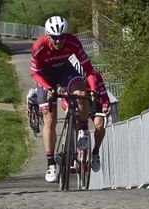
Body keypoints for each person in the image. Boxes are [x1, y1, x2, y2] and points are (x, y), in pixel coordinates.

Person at [30, 15, 98, 182]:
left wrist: (94, 89)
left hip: (64, 71)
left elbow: (88, 69)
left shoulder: (73, 42)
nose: (59, 41)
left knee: (81, 94)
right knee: (50, 119)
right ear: (48, 35)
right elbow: (34, 73)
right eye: (55, 38)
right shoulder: (39, 46)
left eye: (61, 37)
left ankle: (81, 128)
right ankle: (51, 163)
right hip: (45, 77)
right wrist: (47, 88)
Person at [61, 70, 111, 172]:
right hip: (76, 101)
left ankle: (95, 152)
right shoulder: (69, 75)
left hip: (93, 101)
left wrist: (106, 106)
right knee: (75, 122)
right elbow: (64, 97)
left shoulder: (95, 74)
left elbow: (104, 93)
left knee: (99, 124)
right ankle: (74, 155)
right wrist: (66, 108)